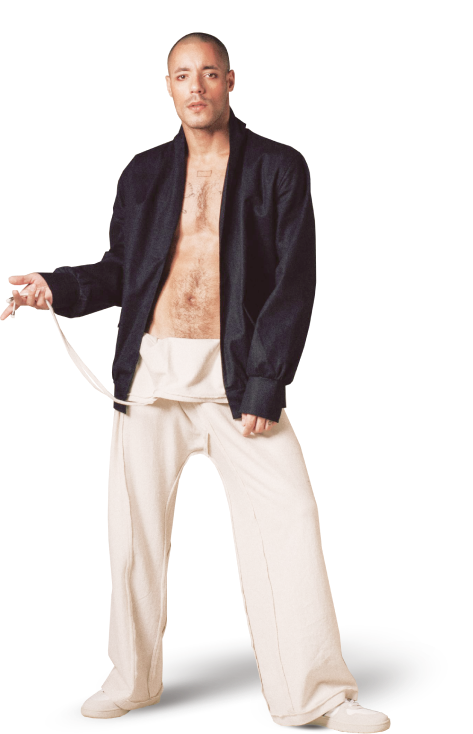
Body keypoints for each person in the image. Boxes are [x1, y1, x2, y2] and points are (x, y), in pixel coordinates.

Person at [1, 33, 391, 733]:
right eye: (183, 75)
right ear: (168, 86)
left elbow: (293, 283)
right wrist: (55, 288)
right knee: (133, 541)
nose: (196, 86)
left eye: (209, 73)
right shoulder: (144, 173)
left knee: (289, 524)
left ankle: (315, 696)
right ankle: (132, 680)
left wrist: (265, 382)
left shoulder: (277, 167)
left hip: (236, 383)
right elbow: (122, 271)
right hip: (150, 378)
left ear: (230, 81)